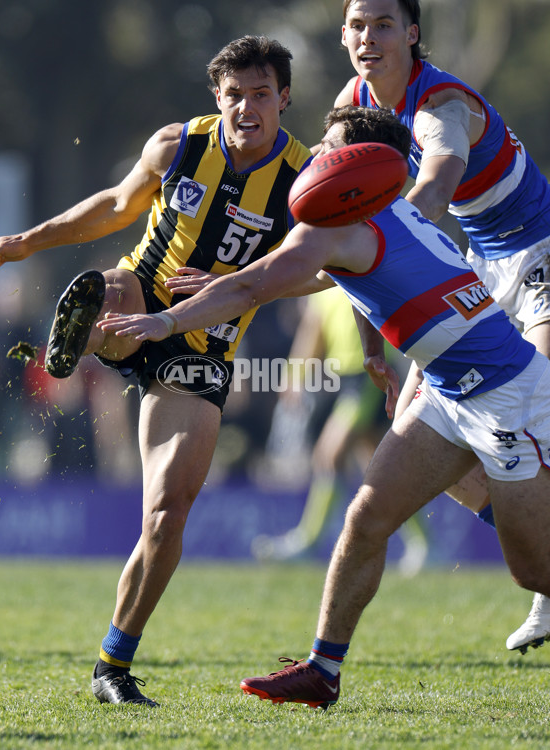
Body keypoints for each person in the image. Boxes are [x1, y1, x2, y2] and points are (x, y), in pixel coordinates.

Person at [96, 105, 550, 710]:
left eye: (330, 149)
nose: (316, 159)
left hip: (505, 396)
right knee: (364, 519)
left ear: (358, 165)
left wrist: (166, 320)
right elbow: (315, 279)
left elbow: (257, 286)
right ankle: (322, 671)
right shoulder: (382, 210)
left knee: (533, 572)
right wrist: (369, 354)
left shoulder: (340, 222)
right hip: (448, 392)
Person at [0, 35, 313, 705]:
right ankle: (87, 337)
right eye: (234, 95)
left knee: (164, 517)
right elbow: (117, 206)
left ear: (284, 99)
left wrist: (239, 283)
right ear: (218, 98)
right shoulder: (178, 145)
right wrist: (26, 243)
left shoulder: (304, 178)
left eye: (261, 95)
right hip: (137, 296)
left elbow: (323, 272)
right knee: (114, 289)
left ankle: (111, 667)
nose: (246, 108)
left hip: (202, 347)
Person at [334, 0, 550, 654]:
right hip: (479, 269)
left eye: (383, 25)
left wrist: (392, 230)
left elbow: (435, 178)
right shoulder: (354, 104)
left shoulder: (443, 104)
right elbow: (331, 214)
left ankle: (542, 589)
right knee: (423, 425)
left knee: (541, 410)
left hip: (540, 255)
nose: (368, 38)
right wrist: (373, 346)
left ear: (412, 33)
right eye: (357, 26)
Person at [252, 286, 428, 575]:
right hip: (343, 380)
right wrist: (294, 377)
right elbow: (314, 331)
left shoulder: (363, 274)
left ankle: (309, 542)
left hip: (370, 377)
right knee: (384, 468)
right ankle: (426, 545)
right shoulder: (324, 284)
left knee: (328, 455)